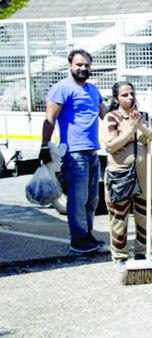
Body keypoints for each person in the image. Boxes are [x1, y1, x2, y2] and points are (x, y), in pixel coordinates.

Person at [41, 49, 107, 253]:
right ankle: (78, 240)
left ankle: (87, 235)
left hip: (92, 150)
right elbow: (50, 118)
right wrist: (44, 144)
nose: (83, 68)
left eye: (87, 65)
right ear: (70, 64)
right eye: (79, 64)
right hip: (73, 152)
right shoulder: (62, 88)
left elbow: (107, 116)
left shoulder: (93, 90)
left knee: (92, 199)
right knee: (78, 199)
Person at [102, 81, 152, 270]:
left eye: (131, 94)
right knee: (119, 216)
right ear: (116, 98)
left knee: (144, 214)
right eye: (124, 95)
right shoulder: (111, 118)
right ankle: (119, 255)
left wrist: (142, 128)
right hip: (120, 173)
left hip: (144, 172)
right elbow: (111, 145)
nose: (129, 98)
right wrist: (130, 130)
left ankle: (141, 251)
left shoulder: (144, 116)